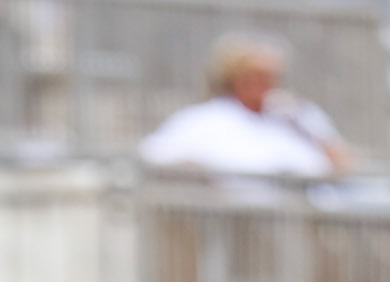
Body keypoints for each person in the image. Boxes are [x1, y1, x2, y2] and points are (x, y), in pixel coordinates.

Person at [139, 34, 350, 183]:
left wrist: (305, 125)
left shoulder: (299, 115)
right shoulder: (204, 119)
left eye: (272, 76)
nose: (264, 83)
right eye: (256, 75)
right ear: (233, 77)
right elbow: (156, 156)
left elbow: (343, 163)